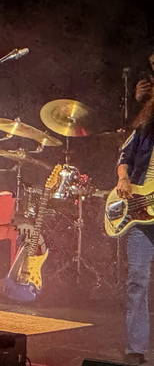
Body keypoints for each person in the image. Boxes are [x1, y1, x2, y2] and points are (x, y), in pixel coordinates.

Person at [116, 101, 154, 364]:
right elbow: (124, 158)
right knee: (137, 280)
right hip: (141, 215)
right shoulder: (144, 129)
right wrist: (123, 179)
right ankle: (135, 348)